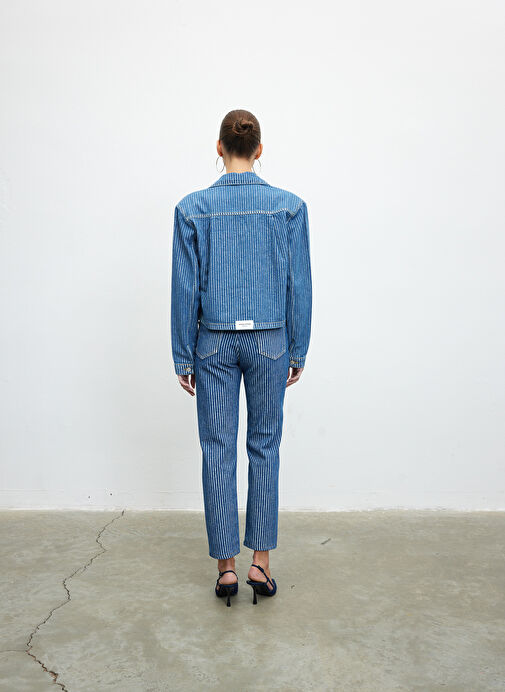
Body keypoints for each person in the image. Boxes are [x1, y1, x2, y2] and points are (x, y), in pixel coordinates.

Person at [170, 109, 312, 606]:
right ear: (259, 150)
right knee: (265, 446)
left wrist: (183, 355)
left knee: (217, 449)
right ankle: (261, 563)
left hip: (213, 341)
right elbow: (299, 284)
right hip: (270, 340)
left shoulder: (191, 209)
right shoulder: (289, 208)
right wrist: (299, 346)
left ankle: (226, 570)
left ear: (218, 147)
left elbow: (184, 288)